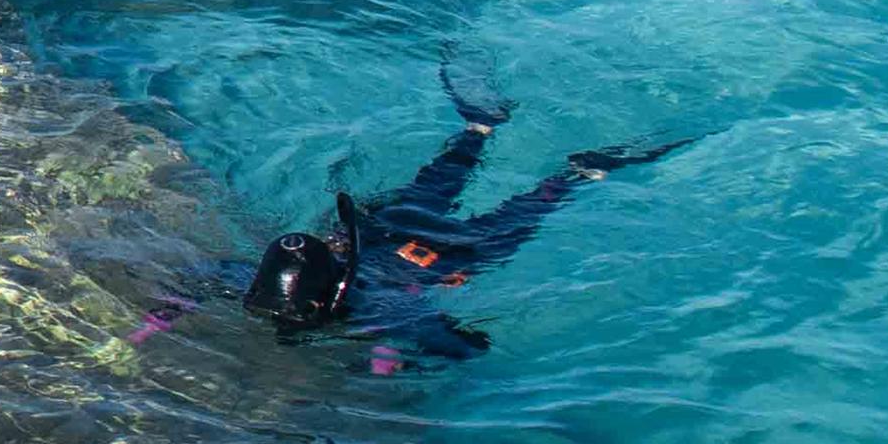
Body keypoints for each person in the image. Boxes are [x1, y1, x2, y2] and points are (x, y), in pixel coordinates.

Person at [235, 75, 688, 369]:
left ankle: (577, 172)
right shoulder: (358, 303)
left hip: (446, 250)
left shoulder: (375, 309)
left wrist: (389, 358)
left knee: (519, 216)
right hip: (386, 228)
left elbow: (466, 347)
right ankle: (480, 130)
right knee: (435, 187)